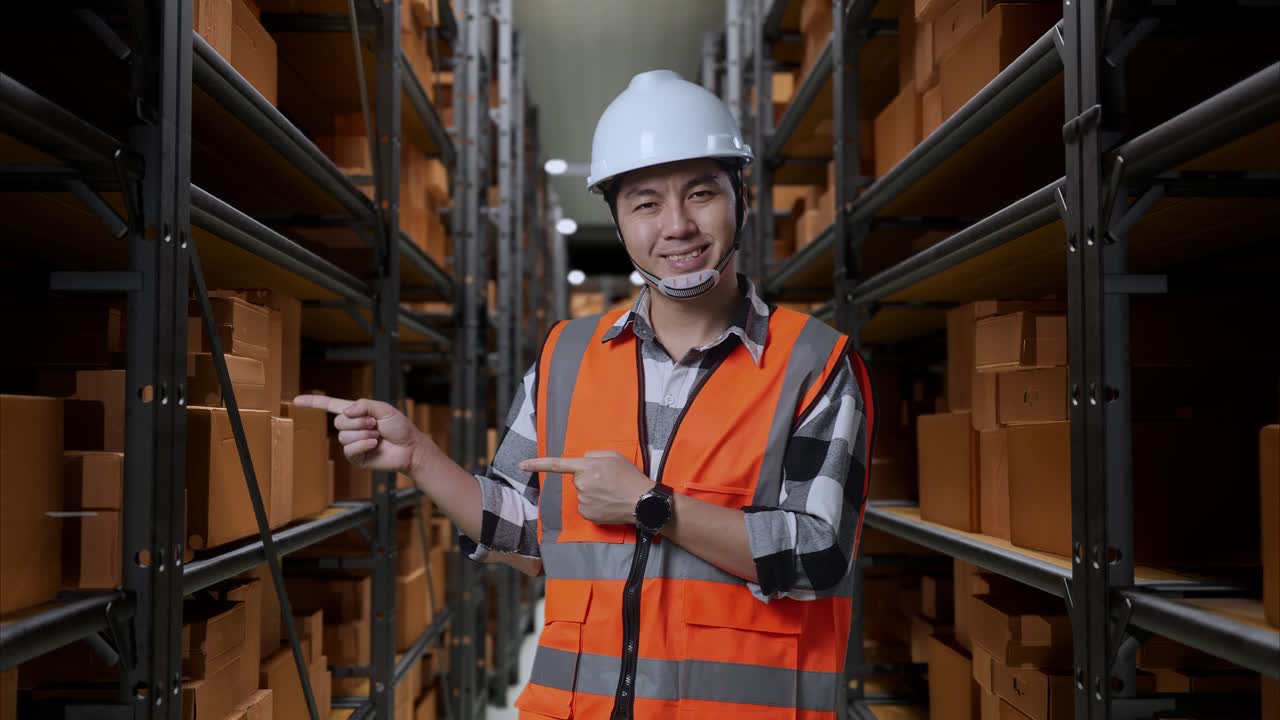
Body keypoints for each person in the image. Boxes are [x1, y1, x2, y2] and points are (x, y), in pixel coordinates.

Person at [295, 69, 875, 720]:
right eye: (646, 203)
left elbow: (818, 552)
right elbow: (530, 534)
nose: (677, 225)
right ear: (619, 220)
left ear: (742, 196)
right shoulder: (565, 357)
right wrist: (418, 457)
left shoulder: (813, 363)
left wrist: (653, 507)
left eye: (702, 193)